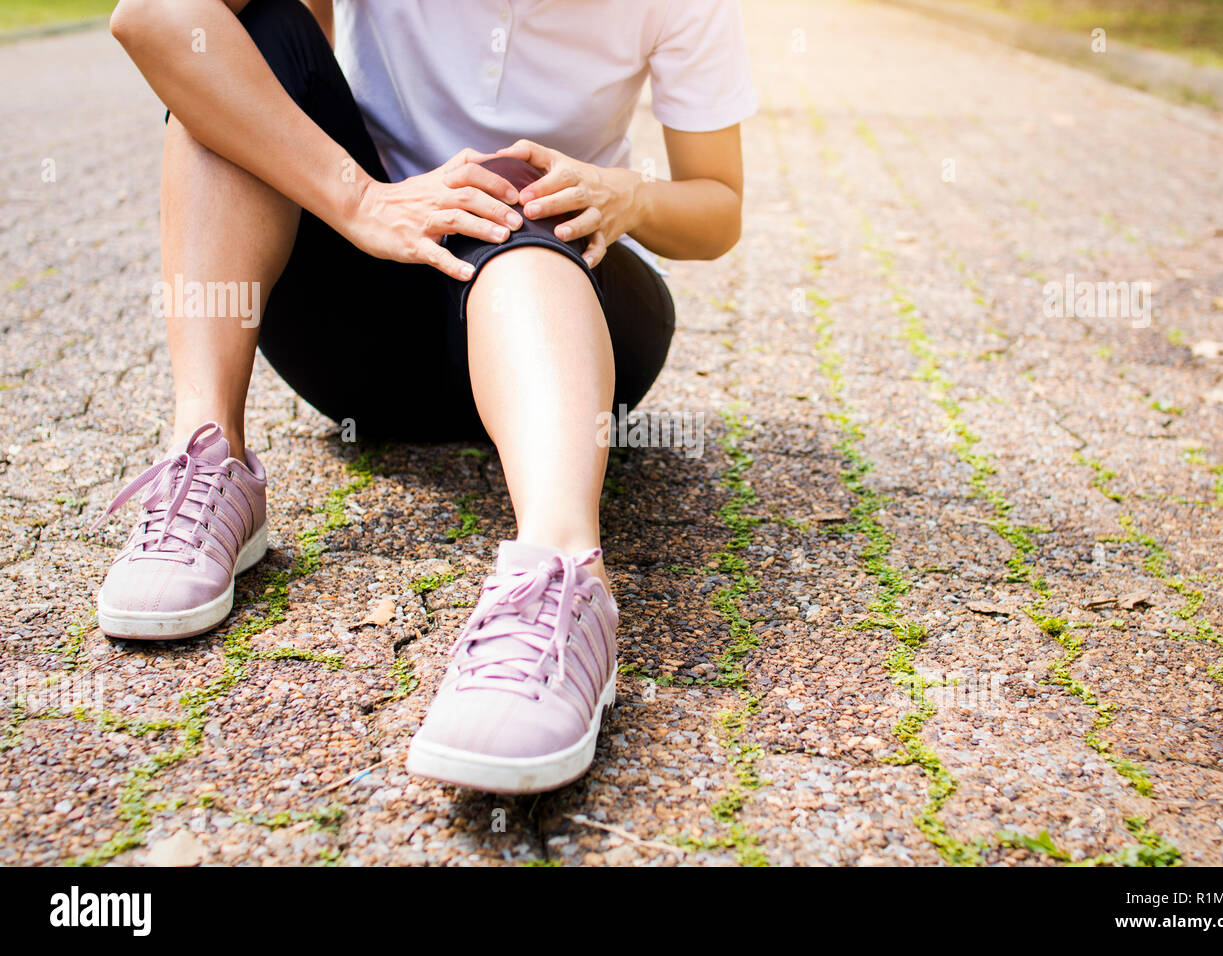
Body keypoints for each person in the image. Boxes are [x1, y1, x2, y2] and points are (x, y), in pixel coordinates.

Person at [97, 0, 755, 794]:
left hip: (562, 333)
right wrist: (359, 199)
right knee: (247, 44)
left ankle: (559, 575)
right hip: (366, 342)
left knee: (512, 185)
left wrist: (629, 195)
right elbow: (153, 16)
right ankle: (208, 454)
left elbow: (717, 206)